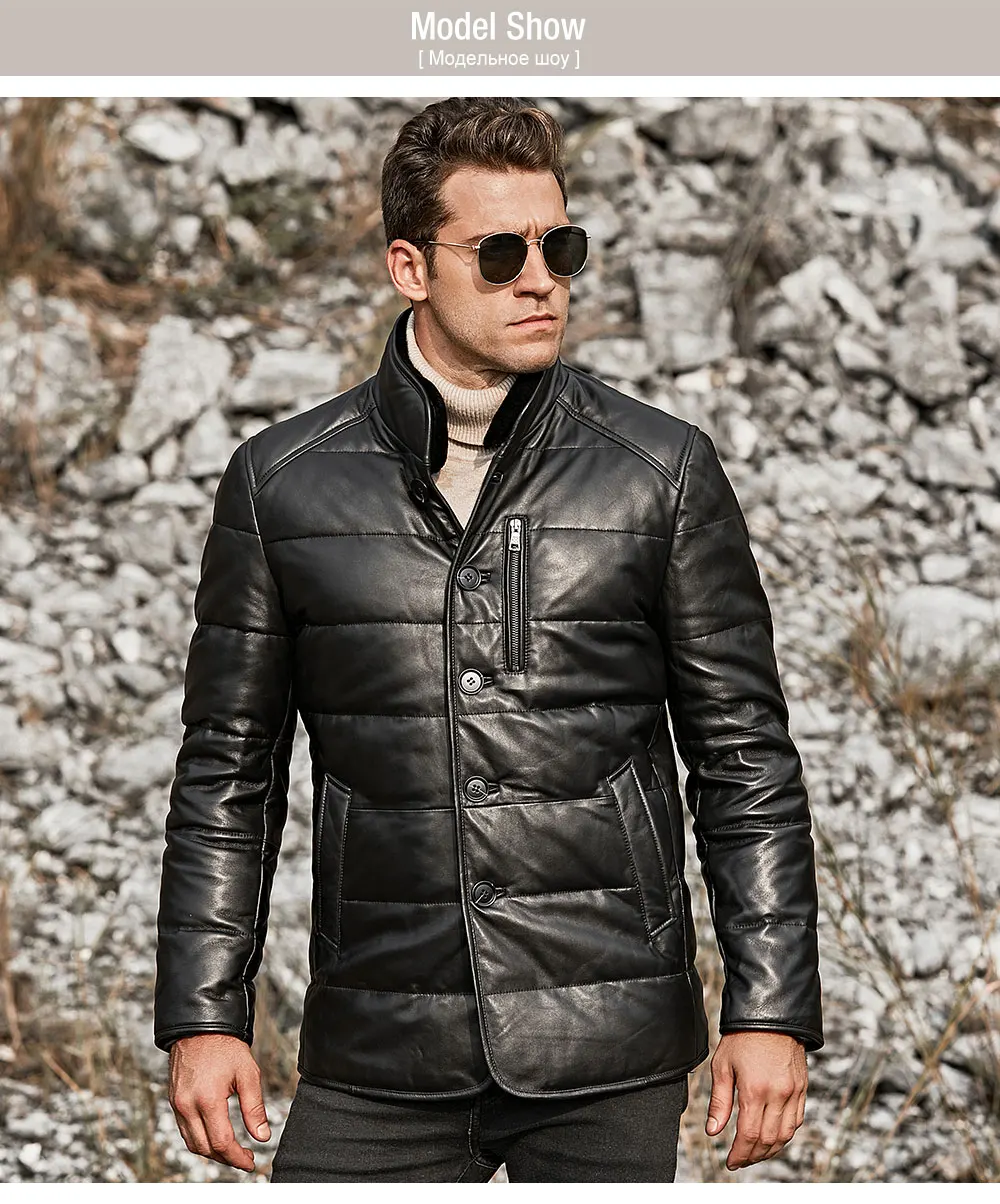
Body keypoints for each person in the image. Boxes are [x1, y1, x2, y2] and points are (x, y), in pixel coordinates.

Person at [154, 96, 824, 1183]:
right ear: (409, 267)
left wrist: (772, 1008)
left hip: (607, 1038)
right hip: (380, 1039)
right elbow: (228, 774)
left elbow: (744, 760)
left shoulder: (659, 472)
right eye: (500, 253)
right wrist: (202, 1014)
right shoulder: (283, 485)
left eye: (561, 246)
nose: (540, 279)